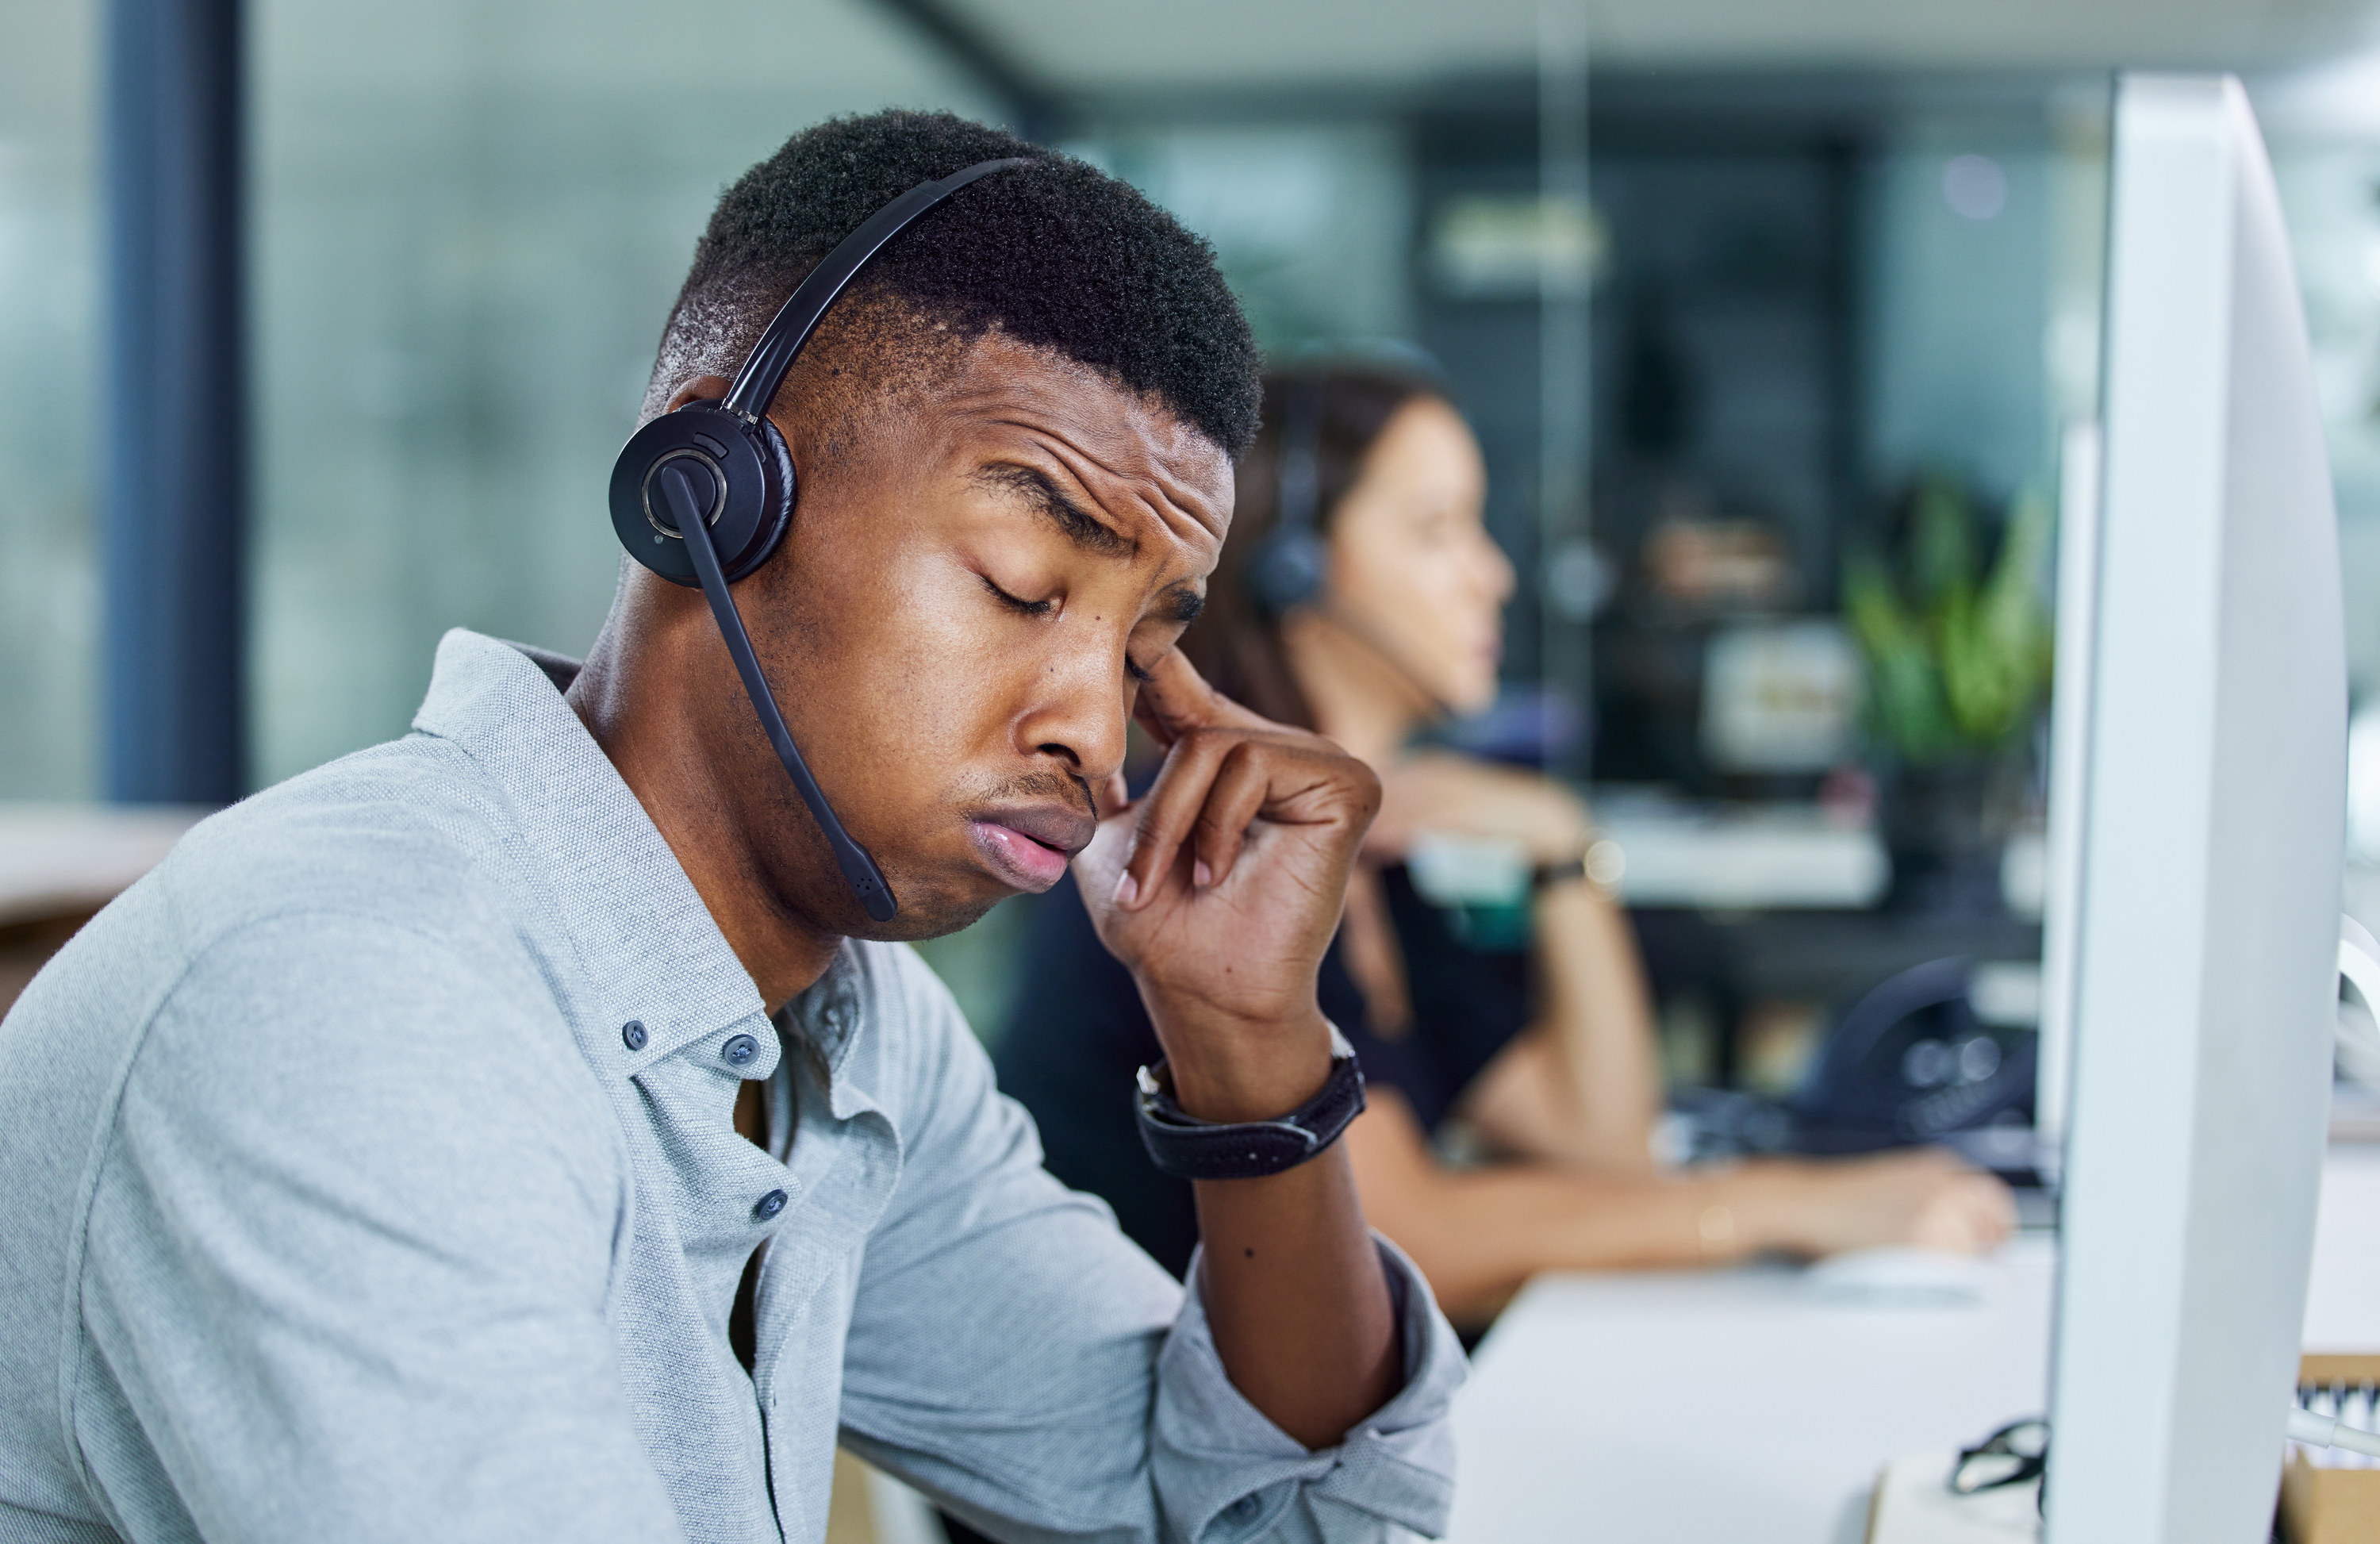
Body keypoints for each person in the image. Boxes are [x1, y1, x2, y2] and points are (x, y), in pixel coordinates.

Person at [0, 116, 1466, 1544]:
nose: (1097, 729)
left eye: (1144, 641)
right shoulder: (352, 1000)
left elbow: (1284, 1520)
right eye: (1025, 584)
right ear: (708, 488)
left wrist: (1247, 1050)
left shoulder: (845, 1030)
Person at [996, 362, 2016, 1326]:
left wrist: (1561, 844)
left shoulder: (1383, 862)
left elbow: (1604, 1142)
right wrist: (1790, 1204)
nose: (1493, 574)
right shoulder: (1197, 844)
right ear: (1291, 572)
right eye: (1438, 531)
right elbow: (1398, 1237)